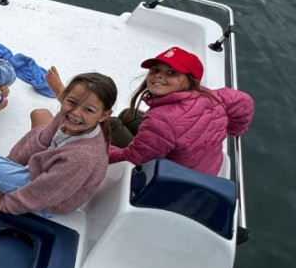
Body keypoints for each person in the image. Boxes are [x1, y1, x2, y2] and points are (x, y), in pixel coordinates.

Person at [0, 72, 117, 217]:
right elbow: (37, 141)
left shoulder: (80, 157)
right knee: (40, 114)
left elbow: (47, 192)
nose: (76, 113)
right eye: (71, 102)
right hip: (51, 174)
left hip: (51, 202)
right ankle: (9, 176)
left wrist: (7, 203)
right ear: (64, 98)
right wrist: (10, 163)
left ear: (104, 115)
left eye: (88, 110)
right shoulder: (67, 118)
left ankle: (10, 186)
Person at [102, 47, 254, 176]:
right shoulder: (214, 96)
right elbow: (244, 101)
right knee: (129, 114)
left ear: (190, 80)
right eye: (155, 70)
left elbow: (133, 159)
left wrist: (99, 151)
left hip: (173, 178)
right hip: (207, 169)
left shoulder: (161, 121)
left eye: (172, 72)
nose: (159, 75)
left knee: (112, 123)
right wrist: (233, 130)